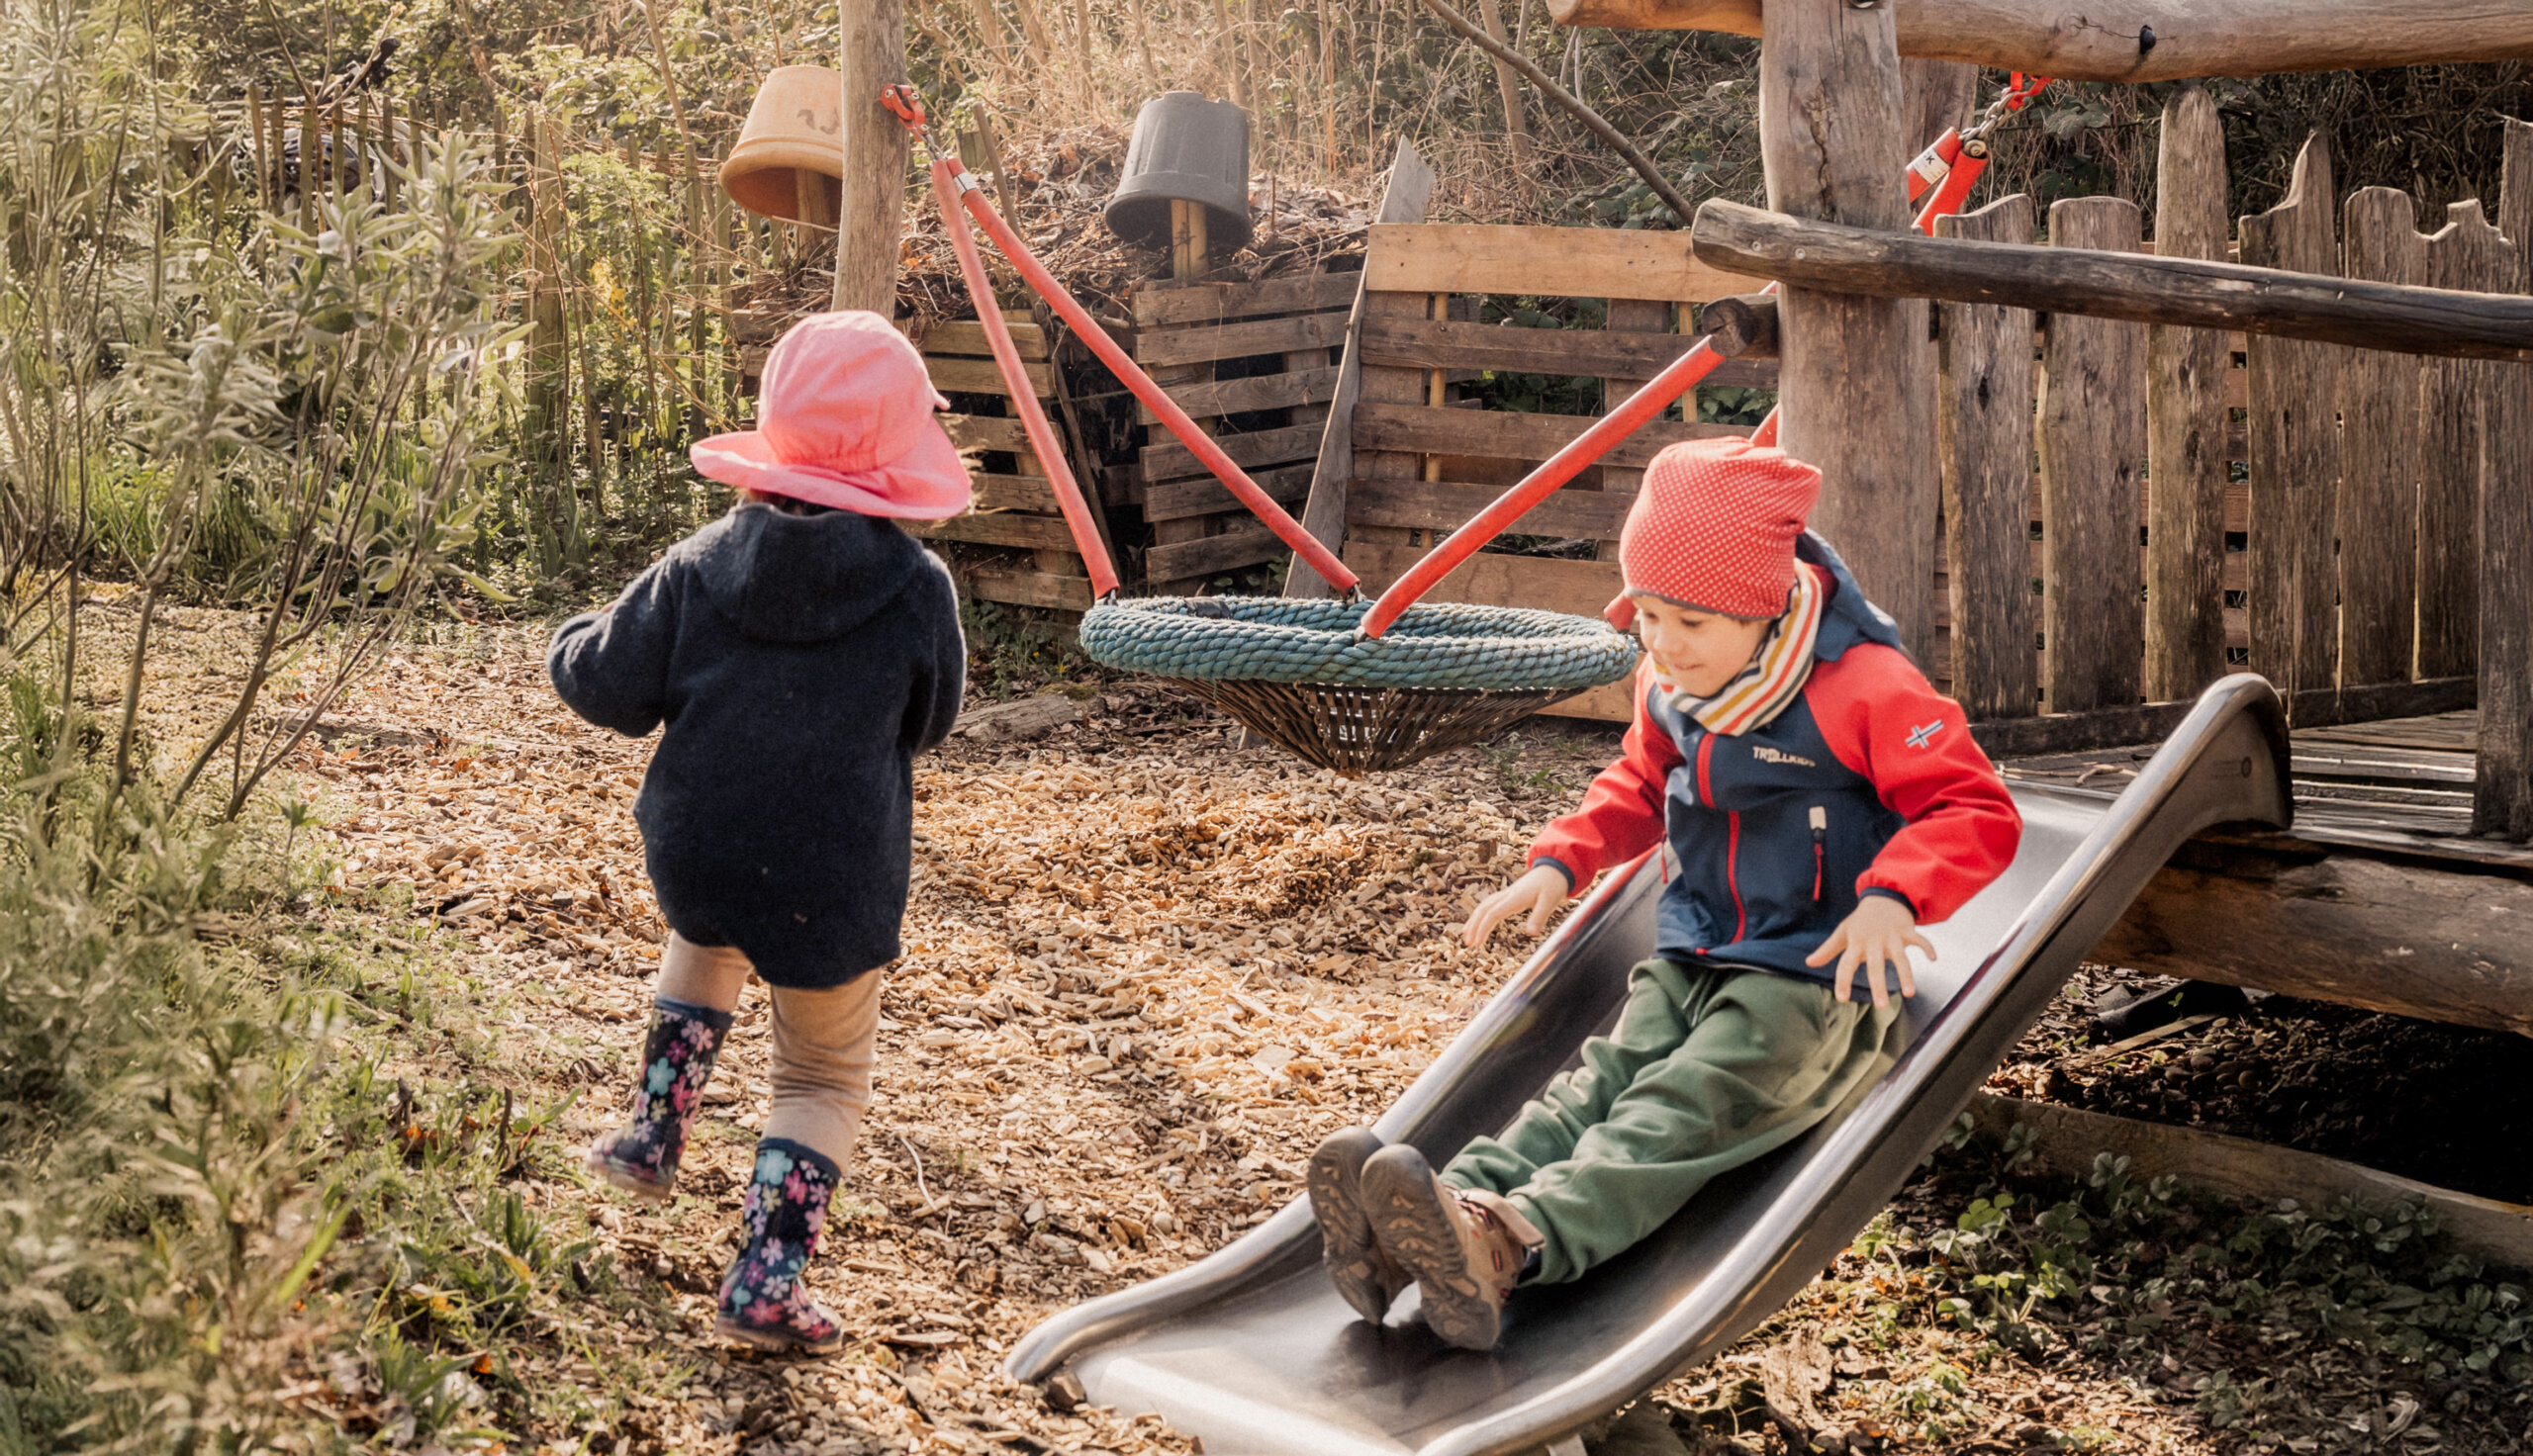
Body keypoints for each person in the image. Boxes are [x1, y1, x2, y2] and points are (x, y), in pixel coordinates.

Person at [1307, 437, 2021, 1351]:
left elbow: (1974, 806)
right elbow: (1642, 783)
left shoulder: (1867, 688)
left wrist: (1893, 896)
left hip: (1814, 977)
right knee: (1594, 1086)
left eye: (1690, 620)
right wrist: (1562, 860)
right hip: (1693, 948)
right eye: (1647, 614)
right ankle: (1428, 1222)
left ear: (1764, 609)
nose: (1664, 642)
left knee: (1678, 1105)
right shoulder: (1672, 684)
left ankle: (1512, 1243)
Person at [548, 311, 970, 1353]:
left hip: (704, 848)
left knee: (711, 931)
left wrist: (568, 640)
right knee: (821, 1076)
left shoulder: (699, 563)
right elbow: (933, 720)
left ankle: (651, 1132)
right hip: (835, 876)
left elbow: (608, 684)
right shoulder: (918, 588)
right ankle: (765, 1280)